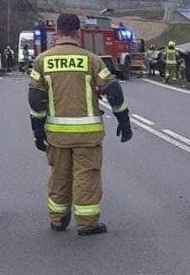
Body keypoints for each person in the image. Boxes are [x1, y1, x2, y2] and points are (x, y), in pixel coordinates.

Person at [28, 13, 133, 235]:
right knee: (86, 176)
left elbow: (36, 98)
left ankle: (57, 219)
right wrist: (124, 122)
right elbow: (113, 89)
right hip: (87, 135)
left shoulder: (42, 61)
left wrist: (37, 131)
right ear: (78, 33)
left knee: (59, 176)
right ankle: (87, 223)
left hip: (56, 134)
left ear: (56, 33)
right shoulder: (91, 60)